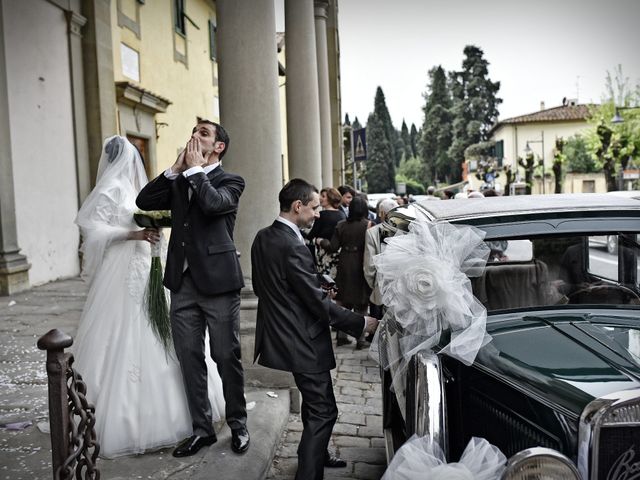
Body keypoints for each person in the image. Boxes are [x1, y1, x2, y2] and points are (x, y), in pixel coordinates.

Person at [73, 136, 225, 458]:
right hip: (124, 266)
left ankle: (194, 409)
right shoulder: (109, 190)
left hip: (147, 261)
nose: (135, 166)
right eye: (133, 160)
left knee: (166, 328)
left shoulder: (134, 190)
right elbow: (94, 230)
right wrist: (133, 233)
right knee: (125, 330)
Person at [251, 178, 378, 480]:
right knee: (324, 410)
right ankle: (308, 472)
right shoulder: (292, 244)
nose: (318, 214)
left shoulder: (262, 237)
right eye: (314, 207)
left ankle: (317, 455)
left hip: (283, 333)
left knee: (313, 404)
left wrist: (317, 286)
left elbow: (265, 287)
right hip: (302, 339)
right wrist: (361, 322)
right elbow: (317, 307)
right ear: (297, 207)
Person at [136, 120, 249, 457]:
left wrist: (196, 171)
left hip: (218, 283)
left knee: (226, 356)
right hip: (181, 283)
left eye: (203, 133)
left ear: (219, 147)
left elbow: (215, 205)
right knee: (189, 357)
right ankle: (202, 430)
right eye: (193, 131)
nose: (194, 136)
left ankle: (238, 424)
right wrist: (174, 168)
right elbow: (144, 200)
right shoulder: (181, 178)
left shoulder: (231, 181)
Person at [320, 195, 372, 349]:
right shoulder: (368, 225)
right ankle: (361, 339)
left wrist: (321, 241)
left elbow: (333, 247)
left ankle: (341, 336)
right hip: (361, 262)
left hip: (345, 262)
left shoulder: (341, 225)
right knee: (361, 302)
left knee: (343, 300)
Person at [363, 198, 399, 320]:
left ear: (382, 213)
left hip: (382, 283)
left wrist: (373, 284)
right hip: (403, 285)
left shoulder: (373, 232)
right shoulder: (406, 230)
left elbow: (369, 265)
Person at [307, 187, 346, 278]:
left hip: (324, 254)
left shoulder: (322, 215)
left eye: (323, 196)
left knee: (324, 280)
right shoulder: (342, 214)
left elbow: (311, 235)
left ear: (330, 198)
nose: (320, 198)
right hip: (338, 253)